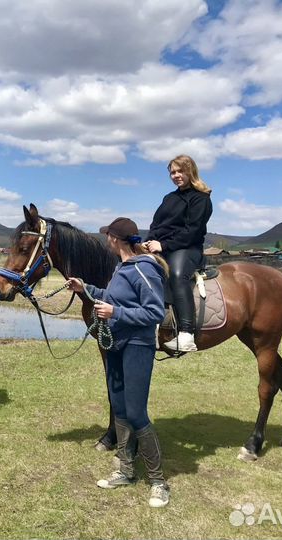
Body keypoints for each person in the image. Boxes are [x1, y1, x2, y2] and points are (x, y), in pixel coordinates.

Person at [66, 217, 170, 508]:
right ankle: (125, 471)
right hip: (115, 344)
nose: (105, 241)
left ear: (114, 239)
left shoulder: (144, 268)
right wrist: (85, 288)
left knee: (137, 413)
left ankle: (158, 482)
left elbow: (154, 313)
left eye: (107, 236)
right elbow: (112, 297)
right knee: (121, 408)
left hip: (137, 346)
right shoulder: (121, 268)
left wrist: (115, 313)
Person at [144, 155, 212, 352]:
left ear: (190, 171)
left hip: (187, 249)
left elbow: (193, 232)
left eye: (179, 171)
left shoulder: (201, 199)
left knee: (175, 275)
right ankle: (151, 330)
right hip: (161, 246)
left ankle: (186, 334)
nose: (176, 175)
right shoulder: (169, 198)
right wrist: (149, 241)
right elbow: (156, 224)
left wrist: (163, 245)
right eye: (172, 172)